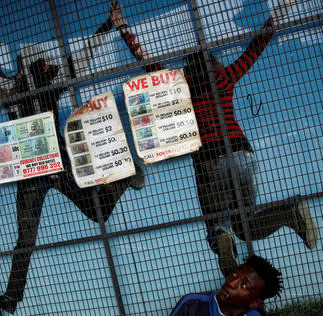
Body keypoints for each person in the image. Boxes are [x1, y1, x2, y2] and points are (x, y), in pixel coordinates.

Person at [110, 0, 319, 276]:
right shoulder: (226, 77)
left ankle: (222, 238)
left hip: (208, 158)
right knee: (247, 222)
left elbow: (145, 60)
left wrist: (123, 26)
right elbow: (257, 45)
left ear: (189, 67)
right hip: (242, 153)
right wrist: (280, 11)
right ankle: (290, 212)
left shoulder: (180, 87)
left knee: (219, 224)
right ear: (213, 62)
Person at [0, 3, 145, 313]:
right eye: (44, 64)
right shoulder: (21, 87)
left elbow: (79, 57)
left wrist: (107, 25)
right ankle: (12, 297)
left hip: (54, 164)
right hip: (35, 170)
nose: (50, 67)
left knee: (83, 217)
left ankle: (124, 176)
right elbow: (1, 76)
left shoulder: (37, 84)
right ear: (35, 67)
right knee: (29, 236)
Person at [170, 255, 282, 316]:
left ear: (254, 303)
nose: (231, 283)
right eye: (235, 274)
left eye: (243, 285)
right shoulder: (192, 306)